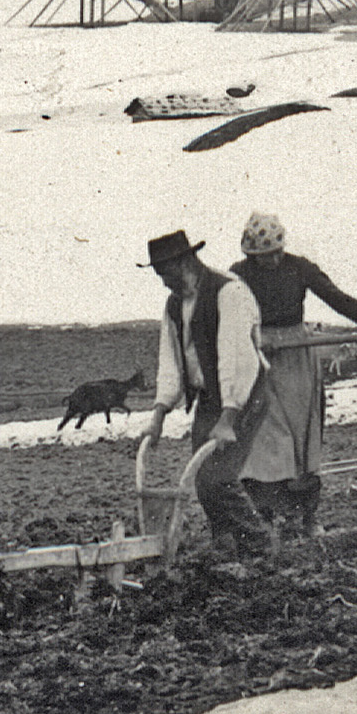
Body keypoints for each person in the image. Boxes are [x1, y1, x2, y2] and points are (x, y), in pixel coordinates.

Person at [230, 213, 357, 537]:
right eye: (263, 257)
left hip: (296, 354)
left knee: (300, 437)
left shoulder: (299, 267)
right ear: (250, 255)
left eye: (276, 252)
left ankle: (303, 516)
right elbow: (227, 316)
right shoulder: (238, 275)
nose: (272, 260)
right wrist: (252, 340)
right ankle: (265, 515)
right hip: (257, 355)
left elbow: (337, 298)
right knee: (264, 437)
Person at [136, 229, 277, 562]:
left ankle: (258, 545)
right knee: (203, 480)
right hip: (210, 398)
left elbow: (237, 359)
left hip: (245, 395)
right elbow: (170, 362)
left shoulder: (228, 292)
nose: (164, 282)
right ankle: (227, 542)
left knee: (220, 477)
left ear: (185, 262)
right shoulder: (174, 305)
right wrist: (157, 416)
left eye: (166, 274)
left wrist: (229, 418)